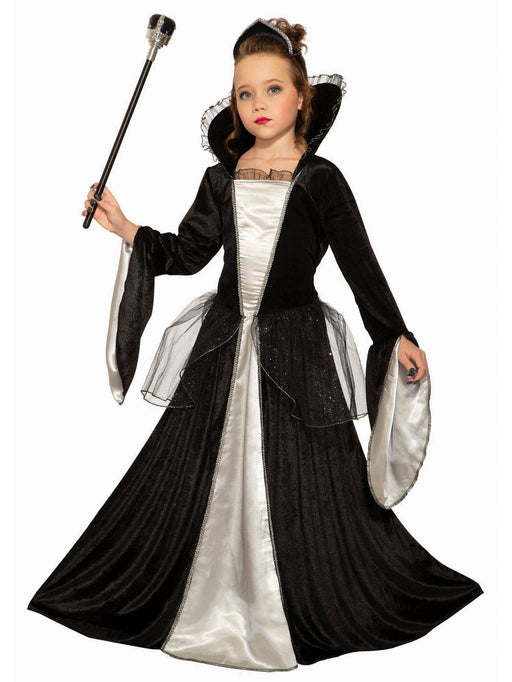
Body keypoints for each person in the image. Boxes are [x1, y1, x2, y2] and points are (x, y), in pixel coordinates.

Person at [27, 17, 483, 672]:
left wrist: (395, 333)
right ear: (234, 103)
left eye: (273, 89)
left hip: (294, 349)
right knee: (183, 471)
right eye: (245, 93)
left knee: (311, 481)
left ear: (301, 97)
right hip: (221, 346)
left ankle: (294, 601)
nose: (258, 104)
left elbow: (359, 263)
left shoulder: (321, 179)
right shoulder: (222, 178)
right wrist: (125, 227)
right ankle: (193, 594)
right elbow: (187, 252)